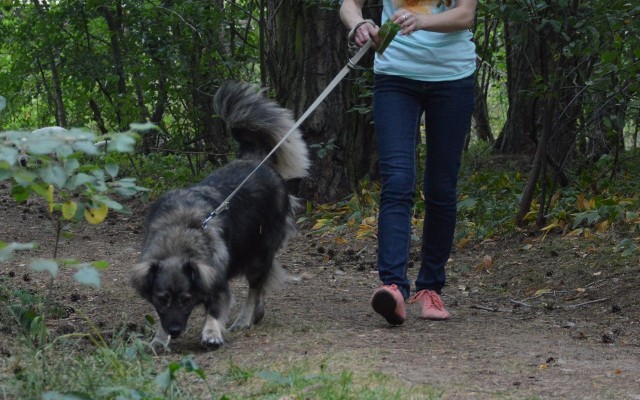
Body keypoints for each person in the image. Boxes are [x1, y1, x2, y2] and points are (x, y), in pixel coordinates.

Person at [339, 0, 477, 325]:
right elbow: (349, 5)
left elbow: (465, 15)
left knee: (440, 187)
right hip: (395, 77)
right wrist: (358, 24)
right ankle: (393, 288)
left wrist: (422, 21)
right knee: (397, 182)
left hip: (453, 78)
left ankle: (430, 288)